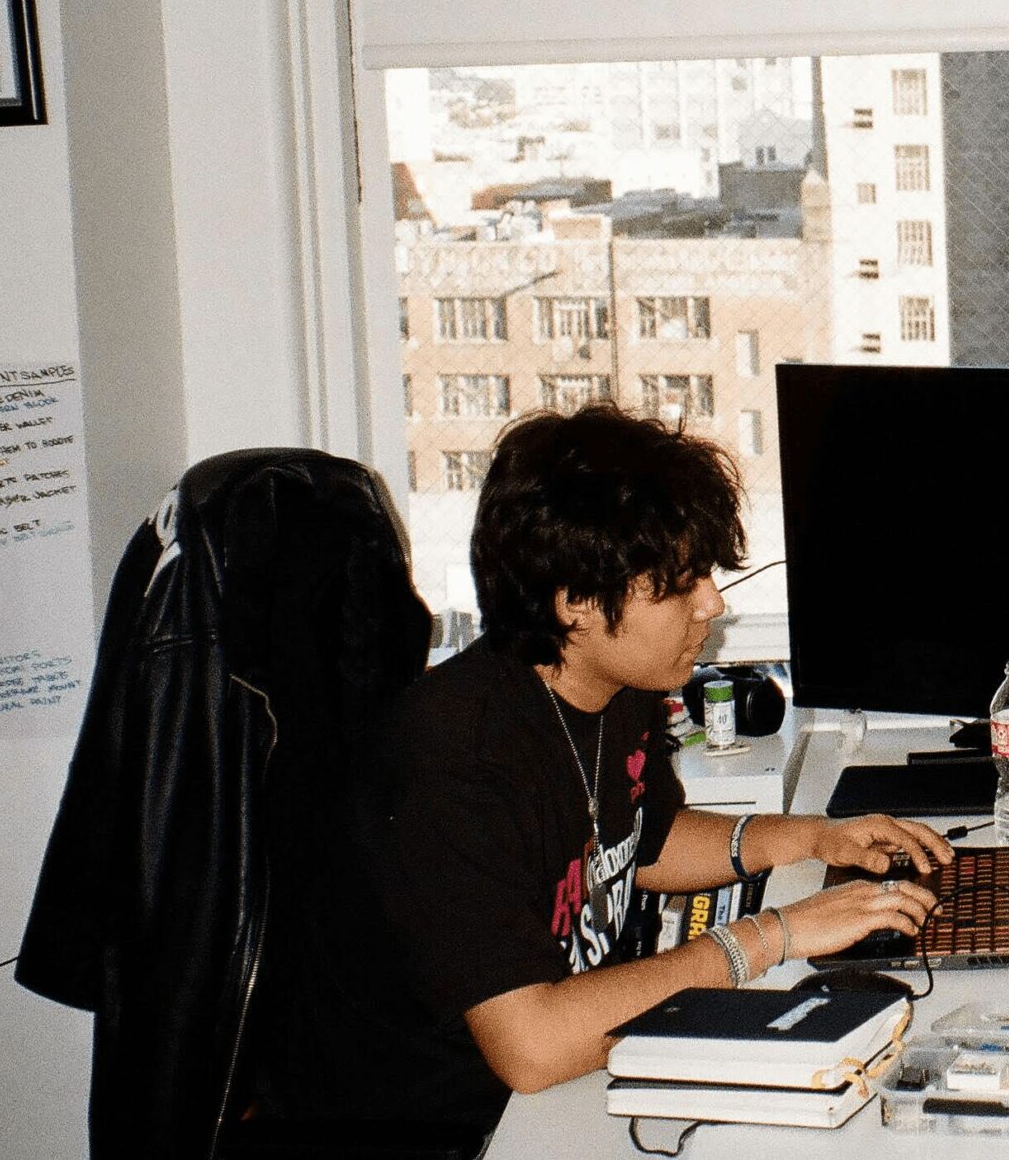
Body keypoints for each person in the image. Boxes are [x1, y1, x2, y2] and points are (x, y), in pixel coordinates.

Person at [262, 403, 954, 1132]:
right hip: (443, 1126)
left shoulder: (614, 684)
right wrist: (770, 935)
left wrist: (812, 838)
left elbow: (642, 844)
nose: (712, 604)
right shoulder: (451, 762)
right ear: (577, 604)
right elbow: (532, 1048)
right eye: (680, 583)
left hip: (550, 1089)